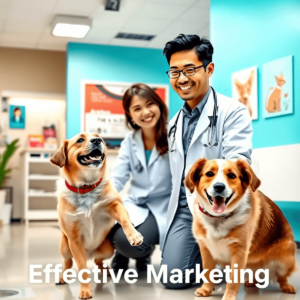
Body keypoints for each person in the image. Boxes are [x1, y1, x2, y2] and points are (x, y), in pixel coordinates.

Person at [161, 34, 253, 288]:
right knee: (171, 277)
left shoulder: (233, 111)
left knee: (174, 277)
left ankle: (223, 261)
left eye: (190, 69)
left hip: (218, 208)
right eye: (174, 72)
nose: (182, 79)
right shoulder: (174, 124)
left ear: (209, 69)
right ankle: (214, 260)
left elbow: (239, 162)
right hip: (183, 208)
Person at [108, 83, 172, 271]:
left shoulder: (175, 136)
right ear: (131, 116)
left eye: (150, 104)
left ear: (159, 105)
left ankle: (143, 251)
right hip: (136, 203)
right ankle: (125, 254)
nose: (145, 112)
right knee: (116, 235)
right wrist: (99, 200)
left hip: (166, 205)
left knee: (134, 243)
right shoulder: (130, 140)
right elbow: (118, 177)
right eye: (137, 108)